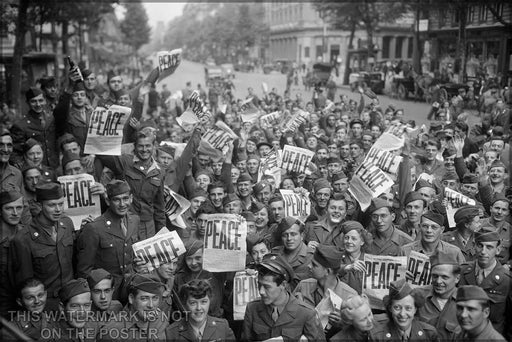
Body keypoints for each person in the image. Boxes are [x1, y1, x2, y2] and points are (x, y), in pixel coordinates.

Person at [10, 182, 75, 312]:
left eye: (61, 204)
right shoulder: (23, 239)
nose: (58, 209)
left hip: (71, 301)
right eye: (52, 205)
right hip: (45, 308)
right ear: (40, 205)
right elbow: (25, 284)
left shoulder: (67, 224)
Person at [97, 130, 166, 239]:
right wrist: (93, 150)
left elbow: (159, 206)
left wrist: (162, 233)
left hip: (148, 227)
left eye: (148, 146)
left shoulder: (160, 171)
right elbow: (104, 156)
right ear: (134, 147)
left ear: (154, 146)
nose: (144, 150)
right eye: (140, 146)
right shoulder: (125, 161)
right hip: (126, 222)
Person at [77, 180, 140, 298]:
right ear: (107, 201)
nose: (122, 204)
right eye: (116, 200)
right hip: (106, 294)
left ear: (131, 198)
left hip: (130, 290)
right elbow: (84, 271)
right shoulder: (94, 228)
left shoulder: (134, 220)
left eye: (125, 198)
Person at [241, 254, 326, 341]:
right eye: (259, 285)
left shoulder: (306, 313)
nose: (261, 291)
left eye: (267, 287)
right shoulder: (252, 309)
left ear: (283, 285)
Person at [293, 245, 358, 335]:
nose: (309, 266)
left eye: (314, 265)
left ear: (327, 271)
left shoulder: (350, 296)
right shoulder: (303, 286)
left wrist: (344, 323)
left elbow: (357, 332)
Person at [458, 227, 511, 335]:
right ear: (474, 246)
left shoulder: (507, 281)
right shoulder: (462, 271)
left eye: (489, 247)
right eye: (480, 245)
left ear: (498, 250)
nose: (483, 251)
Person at [100, 274, 169, 341]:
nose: (151, 305)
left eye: (155, 298)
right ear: (131, 298)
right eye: (144, 298)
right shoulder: (112, 332)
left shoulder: (161, 320)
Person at [166, 279, 235, 341]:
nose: (199, 308)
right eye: (193, 303)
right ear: (184, 304)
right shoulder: (172, 332)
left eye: (203, 302)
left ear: (209, 301)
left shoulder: (222, 327)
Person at [372, 278, 439, 341]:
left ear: (415, 309)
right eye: (397, 307)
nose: (402, 314)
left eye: (408, 308)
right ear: (390, 308)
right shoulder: (377, 336)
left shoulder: (429, 334)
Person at [417, 251, 462, 340]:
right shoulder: (418, 295)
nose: (438, 281)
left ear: (457, 278)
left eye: (444, 277)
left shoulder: (466, 301)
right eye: (435, 276)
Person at [401, 211, 465, 264]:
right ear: (419, 227)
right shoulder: (406, 251)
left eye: (434, 227)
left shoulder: (454, 253)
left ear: (442, 230)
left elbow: (461, 277)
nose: (429, 230)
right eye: (425, 226)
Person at [0, 190, 23, 317]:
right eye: (9, 208)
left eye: (19, 208)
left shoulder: (25, 234)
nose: (15, 213)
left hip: (23, 303)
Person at [272, 217, 314, 283]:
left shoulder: (312, 257)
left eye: (293, 234)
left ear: (302, 236)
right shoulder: (275, 254)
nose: (289, 238)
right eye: (285, 235)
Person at [338, 221, 373, 294]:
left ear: (362, 241)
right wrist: (347, 267)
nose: (349, 241)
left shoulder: (370, 260)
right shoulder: (337, 257)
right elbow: (330, 272)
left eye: (354, 239)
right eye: (346, 238)